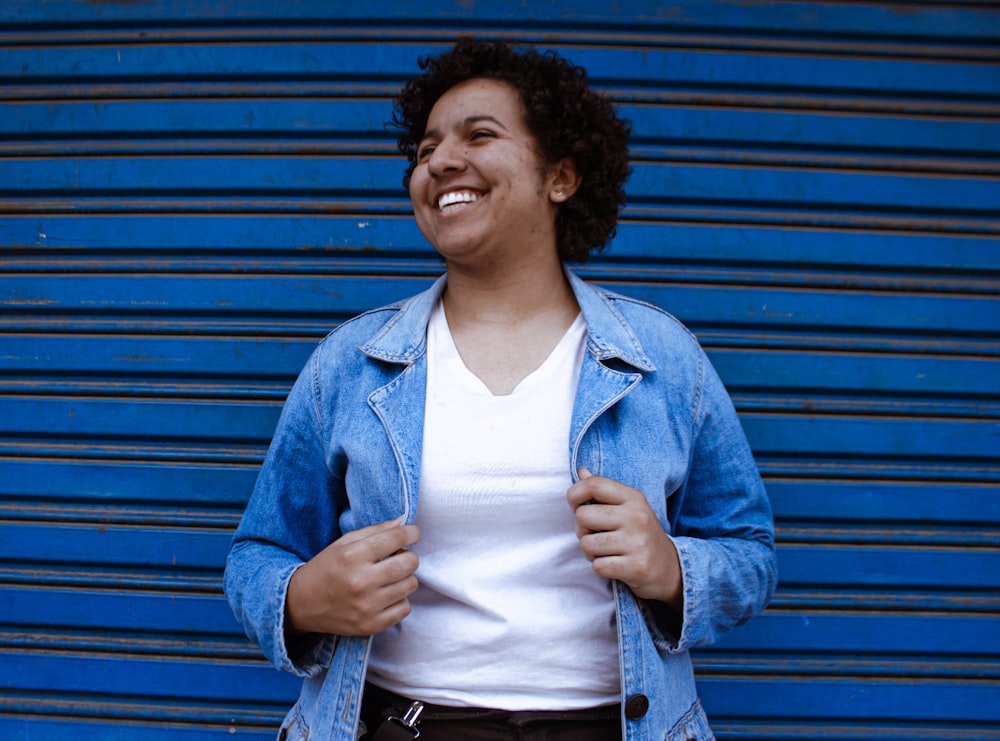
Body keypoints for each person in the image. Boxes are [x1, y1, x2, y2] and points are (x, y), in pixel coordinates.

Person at [224, 38, 777, 741]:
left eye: (479, 135)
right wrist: (303, 596)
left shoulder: (661, 358)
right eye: (424, 150)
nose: (440, 162)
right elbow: (255, 554)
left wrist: (674, 567)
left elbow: (750, 551)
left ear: (562, 177)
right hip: (398, 725)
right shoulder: (353, 361)